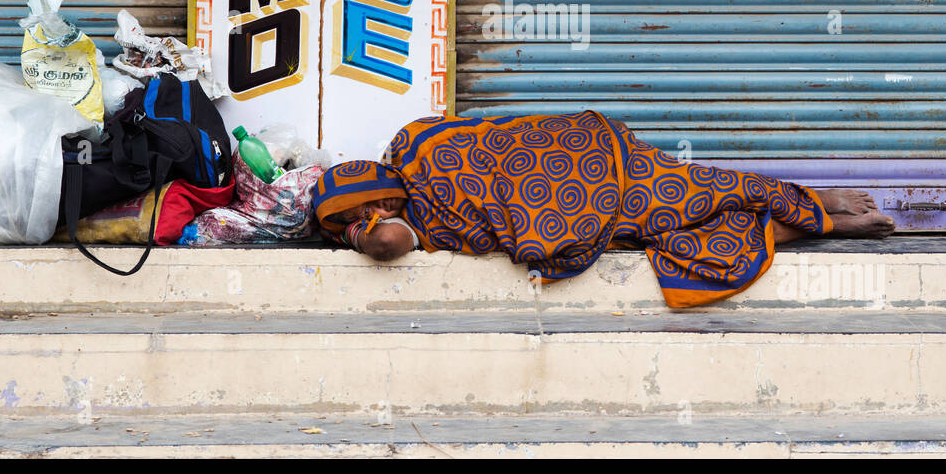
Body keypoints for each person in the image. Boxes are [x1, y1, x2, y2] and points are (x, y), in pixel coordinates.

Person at [315, 111, 894, 308]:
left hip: (590, 161)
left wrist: (350, 234)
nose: (379, 218)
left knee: (700, 189)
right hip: (585, 208)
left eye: (368, 209)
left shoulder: (415, 146)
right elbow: (387, 242)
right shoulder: (411, 222)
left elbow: (502, 135)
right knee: (683, 232)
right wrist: (357, 234)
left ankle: (815, 202)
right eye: (367, 216)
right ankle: (827, 223)